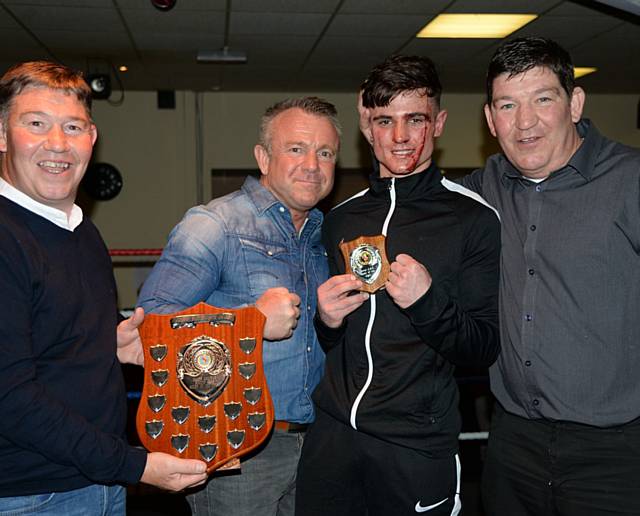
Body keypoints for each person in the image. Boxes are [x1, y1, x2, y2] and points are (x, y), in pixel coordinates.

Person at [295, 55, 501, 516]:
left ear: (440, 122)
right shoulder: (340, 218)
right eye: (385, 121)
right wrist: (325, 321)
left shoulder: (473, 219)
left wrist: (429, 303)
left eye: (416, 120)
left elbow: (483, 347)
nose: (401, 136)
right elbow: (335, 342)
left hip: (416, 444)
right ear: (367, 127)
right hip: (333, 439)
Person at [0, 61, 208, 514]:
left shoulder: (80, 230)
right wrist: (134, 466)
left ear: (92, 139)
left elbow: (44, 336)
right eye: (36, 124)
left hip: (96, 483)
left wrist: (104, 343)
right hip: (30, 495)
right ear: (2, 136)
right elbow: (9, 397)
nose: (57, 144)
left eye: (72, 127)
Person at [461, 36, 640, 516]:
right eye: (507, 105)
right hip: (513, 441)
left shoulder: (631, 180)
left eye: (543, 99)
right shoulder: (483, 189)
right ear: (490, 119)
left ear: (574, 103)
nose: (525, 122)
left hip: (616, 451)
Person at [137, 96, 340, 516]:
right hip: (240, 447)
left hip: (318, 441)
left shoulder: (325, 235)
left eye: (325, 153)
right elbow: (152, 329)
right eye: (296, 149)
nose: (313, 165)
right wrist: (249, 323)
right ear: (263, 158)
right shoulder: (215, 225)